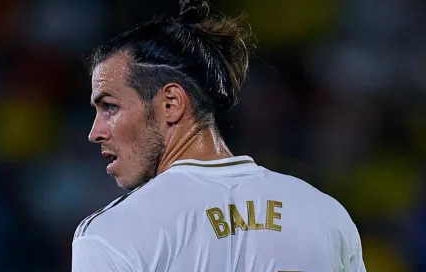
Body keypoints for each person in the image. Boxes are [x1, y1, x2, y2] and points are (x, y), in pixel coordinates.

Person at [72, 0, 367, 271]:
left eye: (110, 107)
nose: (94, 133)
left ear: (171, 103)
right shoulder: (325, 214)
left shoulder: (112, 233)